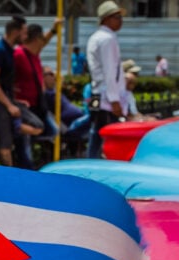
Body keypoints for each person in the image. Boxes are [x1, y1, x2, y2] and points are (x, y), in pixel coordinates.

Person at [0, 15, 44, 167]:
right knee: (6, 143)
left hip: (7, 99)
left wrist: (14, 101)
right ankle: (8, 172)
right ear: (15, 32)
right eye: (24, 32)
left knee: (37, 126)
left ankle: (12, 127)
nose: (26, 36)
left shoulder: (10, 51)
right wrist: (9, 105)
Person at [12, 20, 62, 167]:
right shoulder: (18, 54)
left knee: (52, 130)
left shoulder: (34, 54)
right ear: (36, 39)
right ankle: (25, 167)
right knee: (25, 146)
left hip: (37, 104)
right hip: (24, 106)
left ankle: (29, 146)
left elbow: (45, 41)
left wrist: (53, 30)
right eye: (42, 39)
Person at [86, 1, 126, 158]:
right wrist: (114, 99)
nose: (120, 21)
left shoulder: (96, 37)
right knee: (107, 134)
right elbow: (110, 71)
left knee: (96, 131)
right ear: (106, 19)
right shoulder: (107, 39)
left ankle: (90, 163)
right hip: (106, 97)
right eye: (117, 17)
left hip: (97, 94)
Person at [43, 66, 90, 139]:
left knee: (98, 115)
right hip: (72, 124)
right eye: (51, 74)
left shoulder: (53, 91)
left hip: (80, 117)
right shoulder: (46, 94)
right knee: (96, 116)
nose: (54, 76)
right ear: (42, 77)